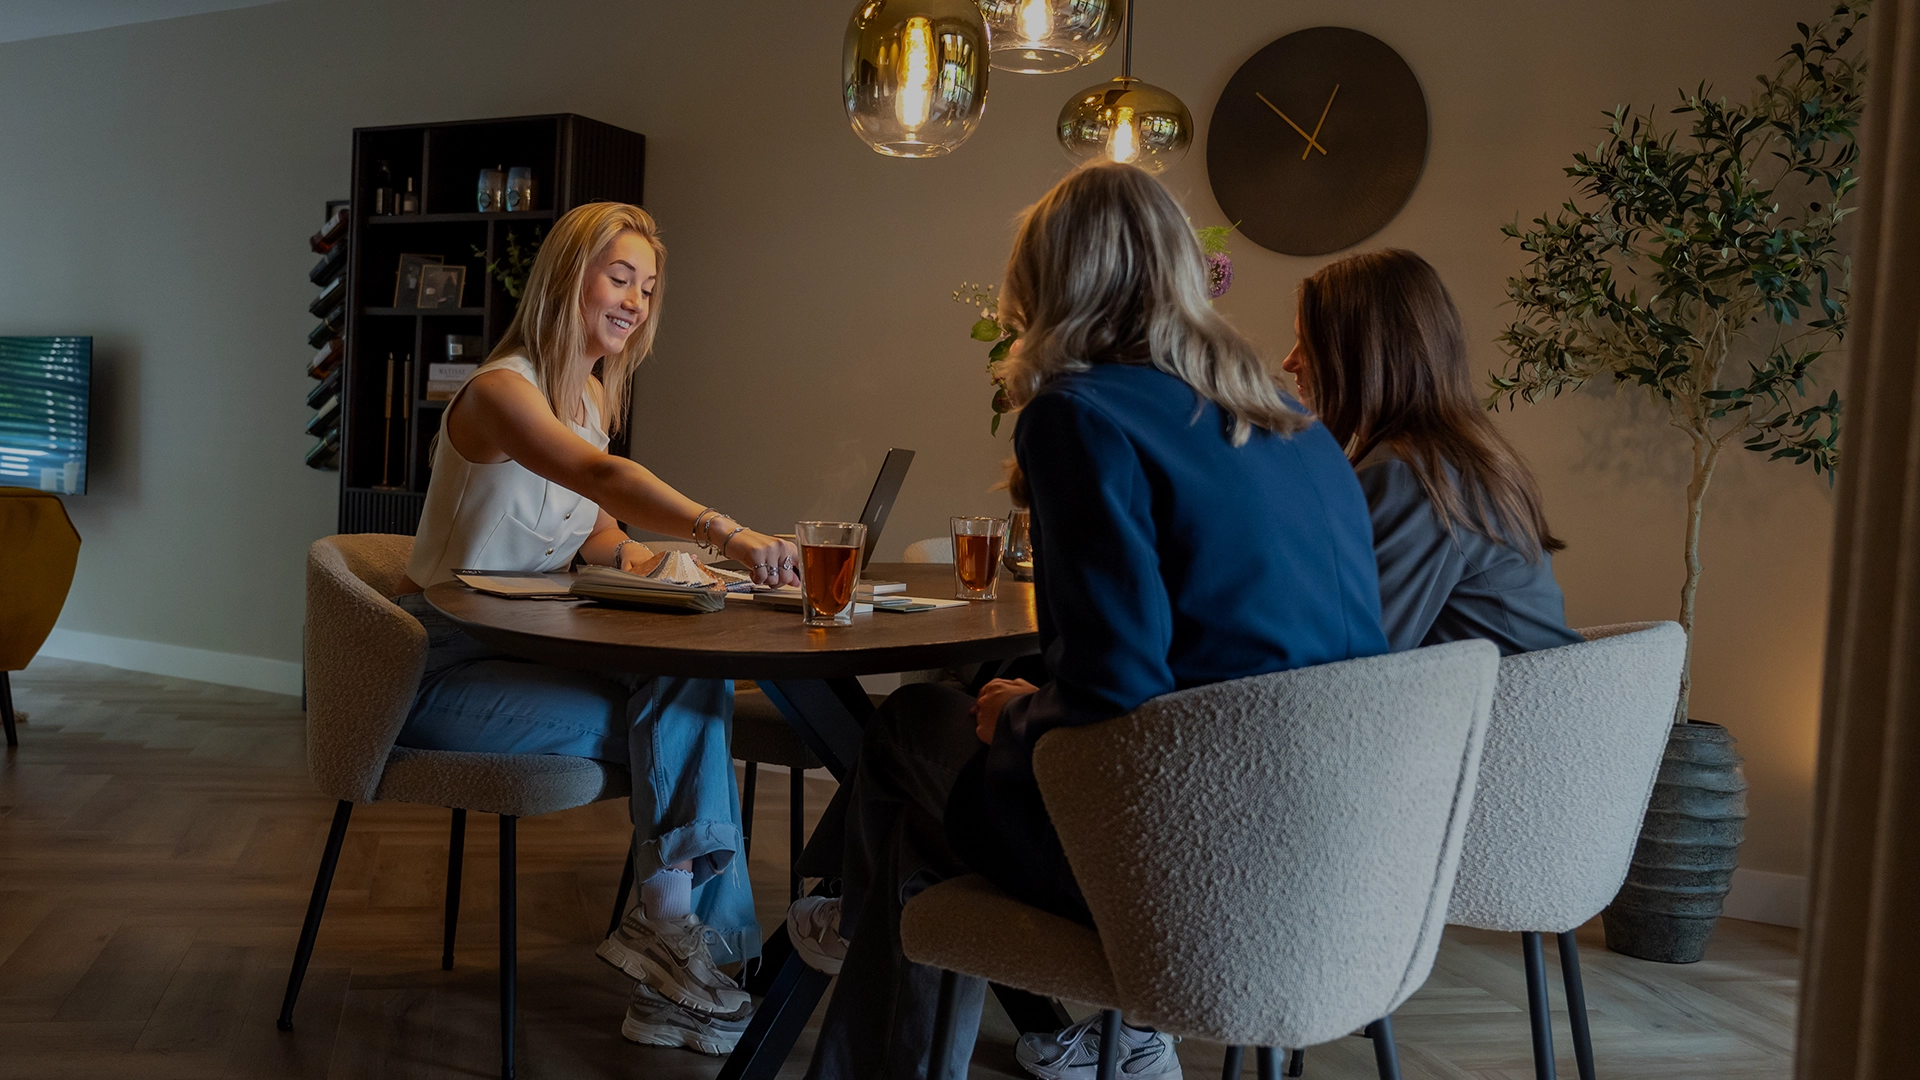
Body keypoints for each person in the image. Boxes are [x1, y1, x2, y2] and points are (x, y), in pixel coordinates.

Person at [782, 162, 1390, 1080]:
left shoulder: (1080, 415)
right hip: (1332, 854)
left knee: (918, 723)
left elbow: (1118, 690)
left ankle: (845, 911)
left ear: (1048, 283)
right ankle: (858, 909)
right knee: (919, 830)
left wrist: (1018, 717)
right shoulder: (1286, 412)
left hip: (1184, 860)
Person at [391, 201, 800, 1056]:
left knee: (687, 672)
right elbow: (594, 475)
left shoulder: (587, 399)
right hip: (441, 670)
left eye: (647, 288)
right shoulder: (504, 390)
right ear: (567, 275)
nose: (635, 302)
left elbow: (594, 531)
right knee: (683, 720)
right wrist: (722, 531)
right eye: (620, 278)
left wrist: (665, 567)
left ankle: (680, 964)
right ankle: (693, 965)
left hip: (526, 651)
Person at [1279, 248, 1582, 656]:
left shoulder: (1410, 476)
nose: (1288, 361)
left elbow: (1344, 658)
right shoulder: (1454, 460)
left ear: (1363, 353)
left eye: (1306, 343)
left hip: (1505, 718)